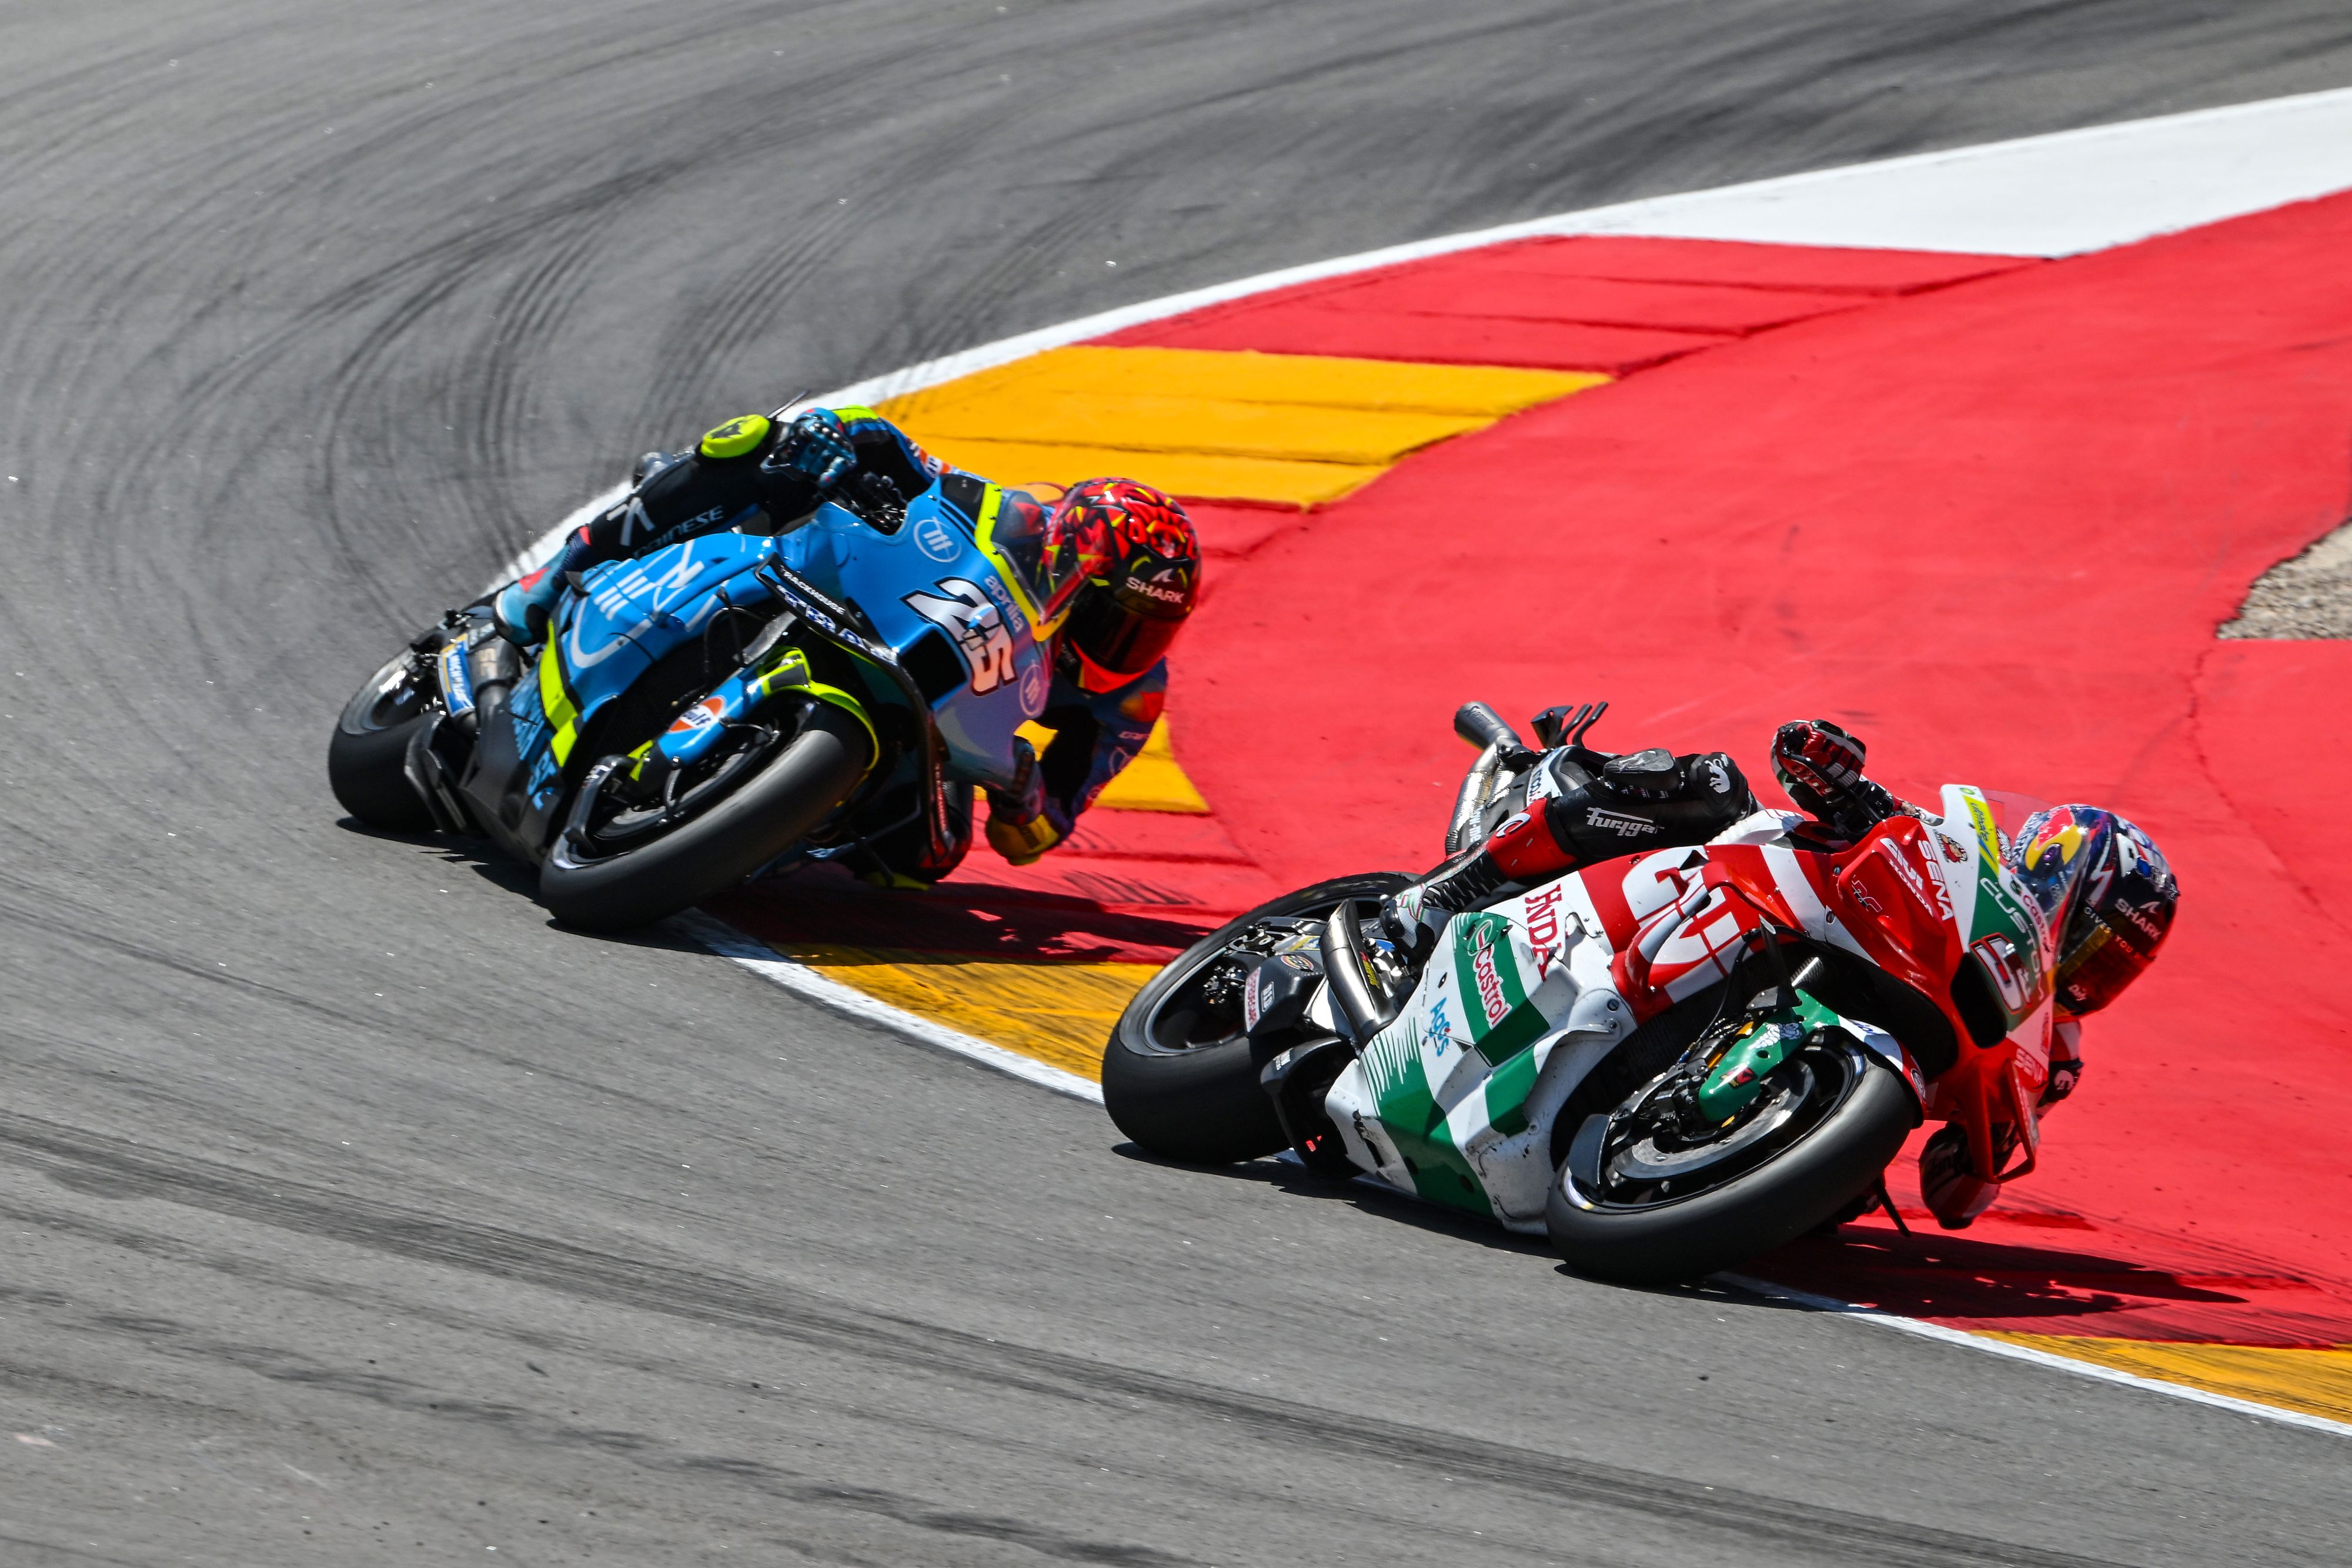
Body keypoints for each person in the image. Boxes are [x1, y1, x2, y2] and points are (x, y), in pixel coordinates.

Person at [1385, 716, 2180, 1229]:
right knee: (1709, 786)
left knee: (1838, 1211)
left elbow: (1957, 1199)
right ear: (2052, 874)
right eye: (2092, 940)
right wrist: (1847, 784)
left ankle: (1671, 1162)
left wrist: (1974, 1158)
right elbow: (1891, 826)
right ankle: (1453, 889)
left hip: (1847, 1066)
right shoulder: (1976, 848)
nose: (2088, 973)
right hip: (1782, 891)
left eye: (2113, 965)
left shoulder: (2049, 1051)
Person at [487, 405, 1200, 885]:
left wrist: (1024, 795)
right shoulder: (1004, 515)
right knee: (756, 445)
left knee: (927, 857)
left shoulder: (1132, 696)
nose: (1126, 643)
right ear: (1069, 568)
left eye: (1151, 630)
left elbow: (1035, 839)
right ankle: (550, 583)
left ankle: (748, 828)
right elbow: (890, 443)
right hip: (868, 605)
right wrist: (830, 434)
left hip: (943, 724)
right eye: (1113, 616)